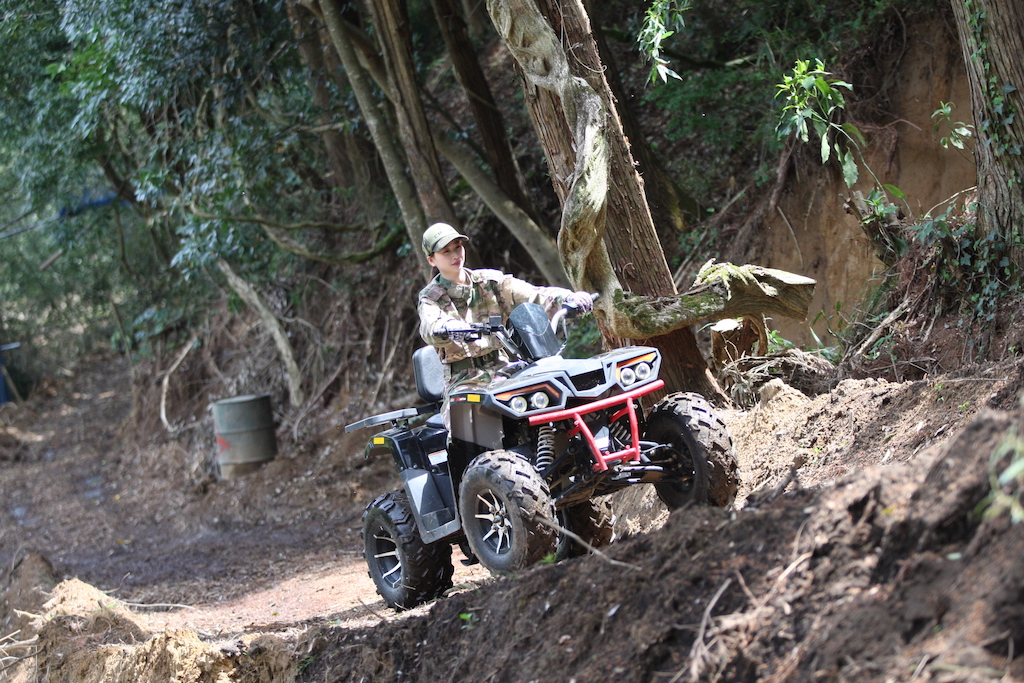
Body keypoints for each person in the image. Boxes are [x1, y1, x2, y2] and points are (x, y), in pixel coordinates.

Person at [417, 223, 593, 427]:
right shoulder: (431, 297)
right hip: (465, 381)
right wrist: (449, 327)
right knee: (467, 423)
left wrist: (568, 298)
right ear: (432, 260)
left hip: (505, 369)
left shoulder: (489, 282)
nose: (455, 255)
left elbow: (534, 295)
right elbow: (430, 326)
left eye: (457, 247)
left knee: (555, 390)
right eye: (446, 251)